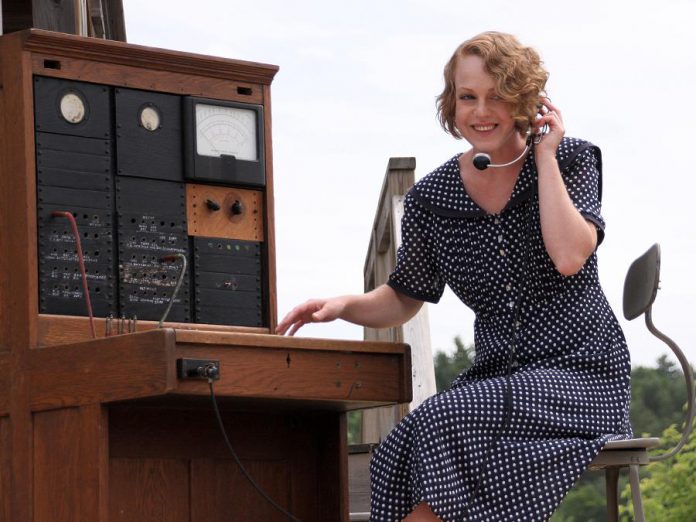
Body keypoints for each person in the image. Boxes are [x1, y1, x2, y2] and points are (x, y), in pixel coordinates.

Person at [276, 31, 631, 522]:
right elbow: (404, 296)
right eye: (468, 97)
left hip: (582, 375)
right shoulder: (430, 198)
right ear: (452, 102)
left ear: (527, 101)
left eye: (498, 95)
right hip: (496, 377)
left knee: (446, 419)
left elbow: (570, 256)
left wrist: (544, 155)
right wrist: (341, 306)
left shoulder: (571, 160)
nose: (480, 111)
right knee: (399, 446)